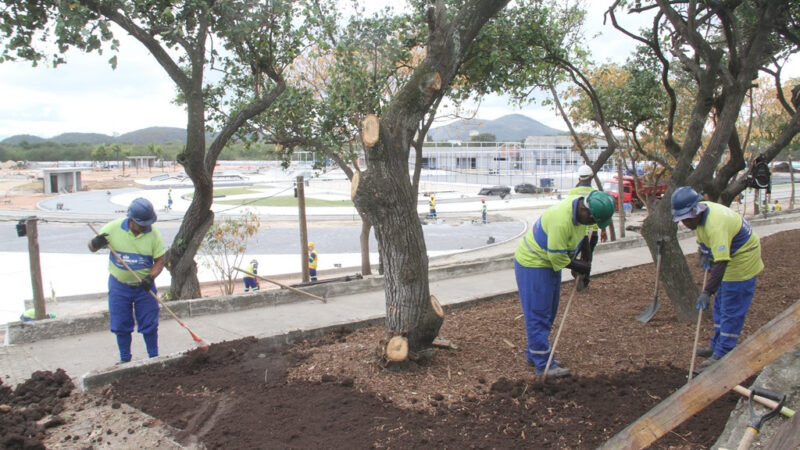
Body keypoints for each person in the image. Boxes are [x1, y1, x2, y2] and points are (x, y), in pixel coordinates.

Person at [514, 191, 615, 378]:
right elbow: (557, 257)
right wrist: (579, 266)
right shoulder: (562, 220)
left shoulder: (583, 211)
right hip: (533, 264)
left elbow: (584, 234)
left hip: (548, 264)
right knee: (538, 313)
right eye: (593, 220)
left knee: (549, 311)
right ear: (586, 211)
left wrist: (586, 255)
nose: (592, 224)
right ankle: (544, 365)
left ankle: (535, 353)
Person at [671, 187, 763, 372]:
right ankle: (716, 344)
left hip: (742, 260)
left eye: (687, 218)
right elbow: (705, 241)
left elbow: (721, 262)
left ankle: (723, 352)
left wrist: (706, 292)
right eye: (682, 220)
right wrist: (705, 253)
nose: (685, 223)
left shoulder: (715, 225)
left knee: (731, 308)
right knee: (720, 306)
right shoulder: (700, 219)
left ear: (697, 210)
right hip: (729, 256)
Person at [88, 197, 166, 364]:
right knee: (121, 323)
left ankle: (154, 358)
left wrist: (150, 277)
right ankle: (125, 360)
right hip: (119, 285)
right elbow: (92, 247)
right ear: (131, 220)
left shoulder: (153, 234)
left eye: (148, 222)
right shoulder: (113, 228)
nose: (146, 226)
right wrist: (95, 243)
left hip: (144, 286)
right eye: (142, 223)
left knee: (149, 322)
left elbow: (160, 260)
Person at [567, 165, 604, 286]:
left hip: (576, 231)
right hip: (591, 230)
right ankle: (584, 279)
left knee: (574, 254)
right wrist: (603, 230)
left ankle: (577, 273)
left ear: (579, 178)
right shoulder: (594, 193)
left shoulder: (572, 192)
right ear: (591, 177)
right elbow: (599, 213)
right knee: (588, 256)